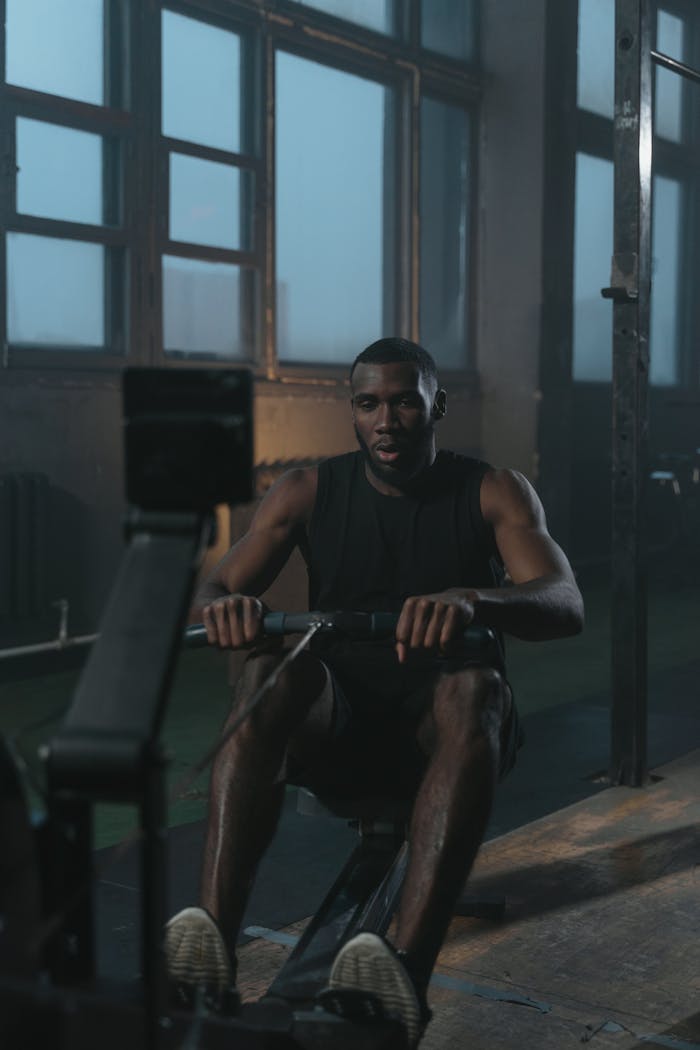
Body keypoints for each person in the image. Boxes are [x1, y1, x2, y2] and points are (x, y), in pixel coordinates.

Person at [165, 337, 584, 1046]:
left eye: (402, 403)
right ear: (352, 412)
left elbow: (565, 602)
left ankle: (401, 979)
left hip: (447, 731)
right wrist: (224, 610)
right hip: (341, 724)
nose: (385, 421)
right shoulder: (306, 490)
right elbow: (213, 590)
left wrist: (474, 599)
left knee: (473, 684)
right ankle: (210, 955)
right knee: (269, 669)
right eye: (368, 404)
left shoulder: (493, 490)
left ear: (435, 407)